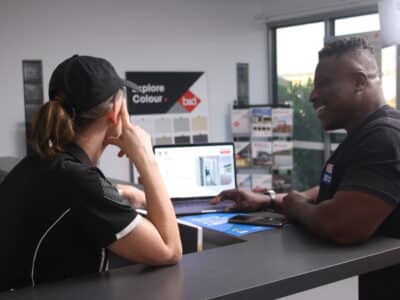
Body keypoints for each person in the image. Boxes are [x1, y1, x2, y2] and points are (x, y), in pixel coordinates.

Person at [212, 37, 400, 299]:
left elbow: (341, 225)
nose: (312, 95)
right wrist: (269, 200)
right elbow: (337, 189)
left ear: (359, 82)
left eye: (323, 84)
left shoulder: (384, 137)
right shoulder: (366, 134)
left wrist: (294, 204)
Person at [0, 55, 182, 291]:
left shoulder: (41, 164)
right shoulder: (80, 181)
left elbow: (64, 199)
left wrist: (121, 193)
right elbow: (169, 250)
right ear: (115, 111)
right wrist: (146, 159)